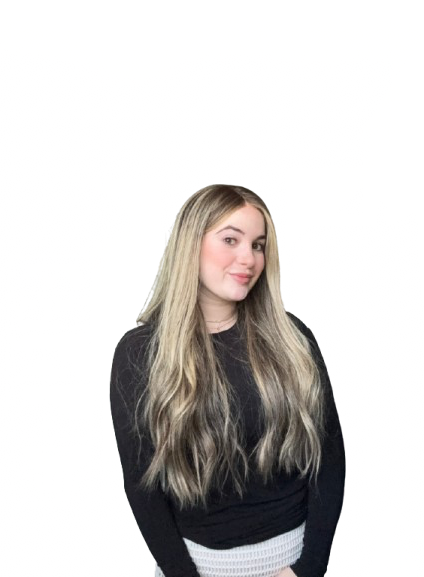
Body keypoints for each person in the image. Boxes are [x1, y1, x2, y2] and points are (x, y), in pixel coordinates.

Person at [109, 184, 346, 577]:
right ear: (190, 244)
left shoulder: (292, 338)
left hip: (293, 560)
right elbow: (142, 486)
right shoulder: (140, 352)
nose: (249, 258)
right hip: (193, 565)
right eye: (231, 240)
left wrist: (307, 569)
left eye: (258, 245)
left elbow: (329, 458)